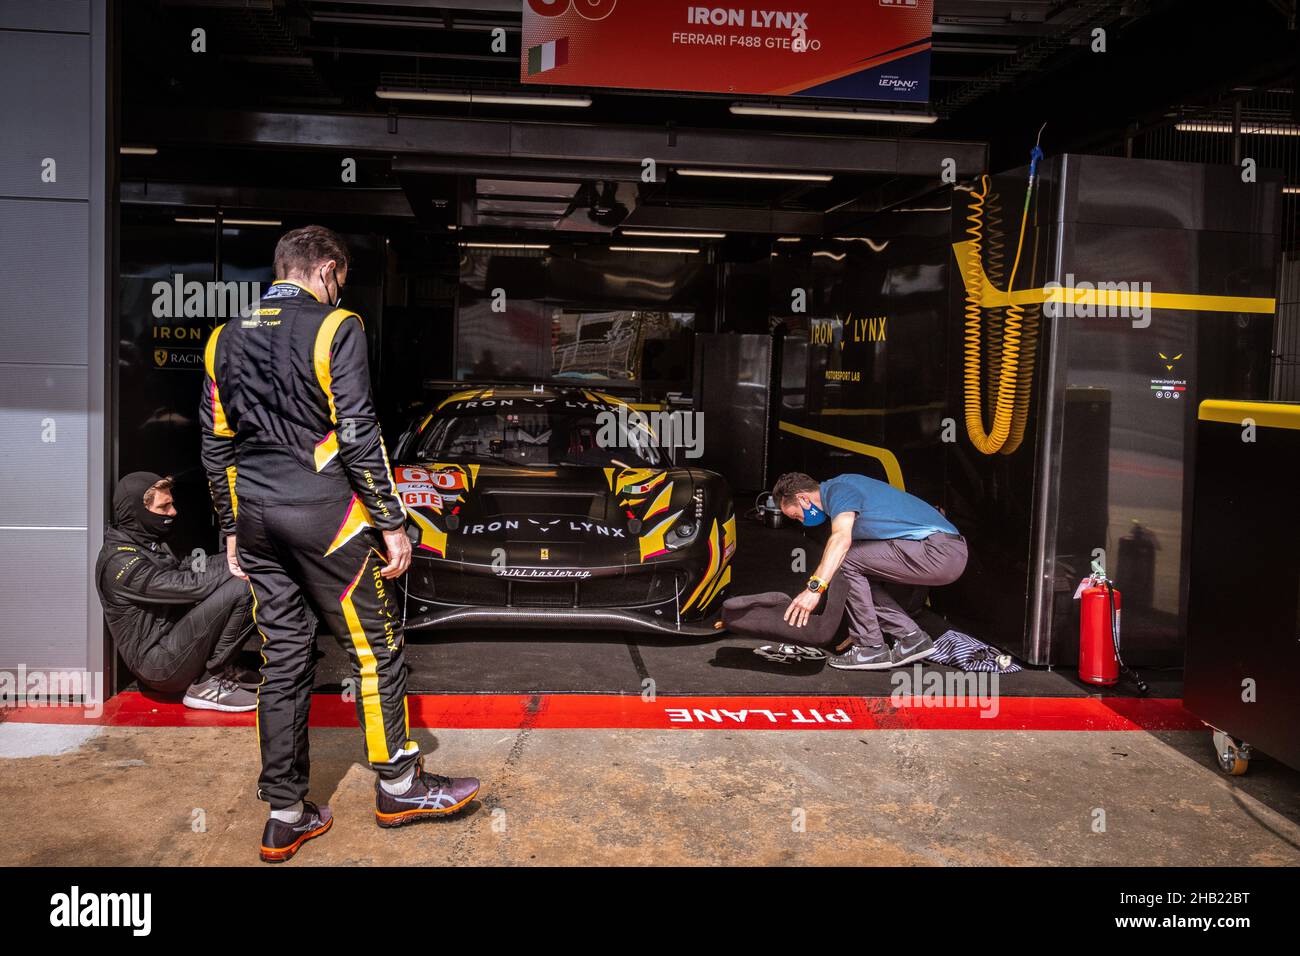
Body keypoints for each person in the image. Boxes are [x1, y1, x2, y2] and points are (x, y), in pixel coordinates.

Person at [200, 225, 480, 863]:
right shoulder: (337, 327)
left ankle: (285, 815)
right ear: (326, 269)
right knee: (375, 649)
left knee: (284, 656)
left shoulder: (224, 337)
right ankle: (401, 787)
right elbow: (358, 431)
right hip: (330, 519)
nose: (338, 291)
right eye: (340, 280)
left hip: (260, 519)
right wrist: (391, 519)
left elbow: (216, 443)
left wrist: (230, 525)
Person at [95, 472, 259, 711]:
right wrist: (239, 565)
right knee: (246, 585)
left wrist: (239, 557)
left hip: (175, 644)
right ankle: (206, 684)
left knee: (246, 577)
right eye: (164, 507)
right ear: (136, 512)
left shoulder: (150, 543)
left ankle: (218, 670)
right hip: (160, 665)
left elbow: (193, 565)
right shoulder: (120, 562)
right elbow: (188, 585)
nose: (173, 512)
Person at [773, 471, 968, 671]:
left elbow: (841, 540)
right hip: (941, 552)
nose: (801, 521)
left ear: (803, 499)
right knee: (851, 568)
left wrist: (814, 589)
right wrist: (862, 616)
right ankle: (910, 638)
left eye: (796, 515)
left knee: (844, 559)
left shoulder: (838, 490)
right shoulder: (843, 495)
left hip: (940, 551)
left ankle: (870, 648)